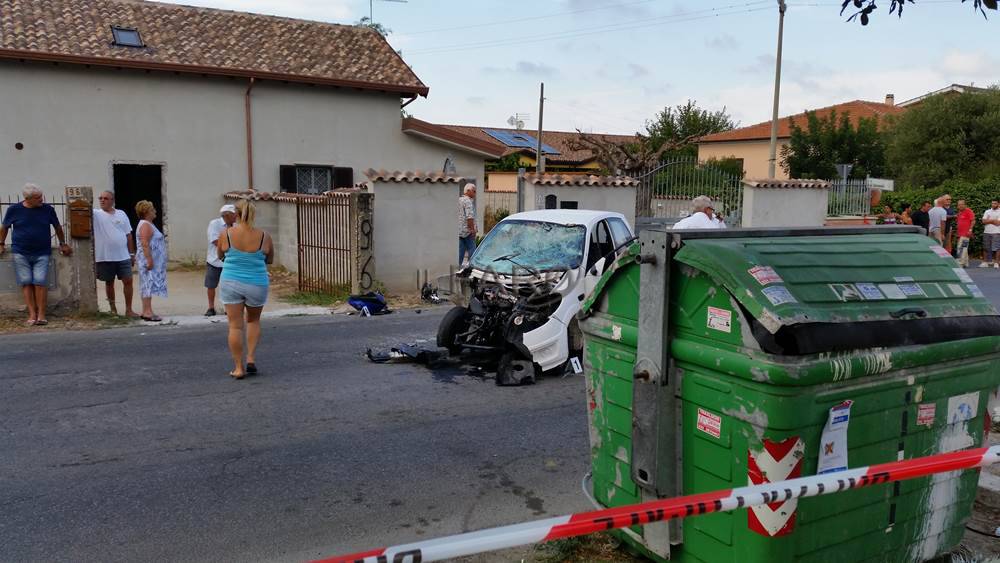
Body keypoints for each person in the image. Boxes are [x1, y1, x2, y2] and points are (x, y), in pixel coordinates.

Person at [217, 199, 273, 380]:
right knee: (253, 321)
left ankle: (238, 368)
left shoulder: (226, 234)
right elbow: (269, 259)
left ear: (236, 214)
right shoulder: (264, 236)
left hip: (231, 281)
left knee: (235, 325)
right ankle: (250, 358)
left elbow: (220, 255)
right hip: (257, 282)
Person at [0, 184, 71, 326]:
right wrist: (1, 244)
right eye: (38, 198)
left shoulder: (48, 210)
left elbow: (57, 227)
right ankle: (32, 314)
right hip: (20, 252)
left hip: (42, 252)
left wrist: (63, 243)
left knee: (40, 282)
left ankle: (42, 315)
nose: (41, 199)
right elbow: (5, 227)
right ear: (28, 198)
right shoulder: (14, 210)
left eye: (41, 196)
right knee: (26, 282)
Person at [93, 191, 138, 317]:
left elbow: (128, 235)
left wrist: (132, 253)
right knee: (109, 283)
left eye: (106, 198)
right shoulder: (95, 214)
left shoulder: (121, 214)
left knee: (128, 281)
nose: (102, 200)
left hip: (123, 255)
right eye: (100, 198)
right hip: (105, 256)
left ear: (112, 200)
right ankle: (113, 310)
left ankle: (129, 310)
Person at [134, 200, 167, 321]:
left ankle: (146, 310)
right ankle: (148, 312)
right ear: (147, 212)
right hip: (147, 261)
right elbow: (144, 243)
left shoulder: (147, 224)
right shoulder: (145, 225)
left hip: (150, 260)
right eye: (153, 210)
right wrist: (149, 260)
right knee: (147, 285)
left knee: (147, 285)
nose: (155, 211)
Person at [205, 204, 237, 316]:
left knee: (228, 286)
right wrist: (231, 247)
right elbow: (214, 241)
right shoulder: (215, 224)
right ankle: (211, 307)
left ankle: (227, 308)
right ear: (227, 215)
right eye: (234, 214)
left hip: (230, 261)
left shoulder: (236, 225)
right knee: (211, 285)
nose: (236, 216)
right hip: (214, 260)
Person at [458, 184, 477, 266]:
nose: (475, 193)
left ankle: (457, 269)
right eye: (474, 191)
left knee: (460, 252)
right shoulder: (468, 201)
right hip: (467, 231)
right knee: (472, 250)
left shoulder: (459, 200)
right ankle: (471, 268)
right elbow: (470, 217)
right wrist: (472, 230)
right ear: (468, 191)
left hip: (459, 231)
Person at [954, 200, 975, 267]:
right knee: (964, 247)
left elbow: (973, 221)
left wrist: (970, 230)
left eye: (961, 204)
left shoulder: (968, 211)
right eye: (959, 205)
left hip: (966, 234)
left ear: (965, 205)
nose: (960, 206)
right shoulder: (959, 213)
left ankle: (961, 263)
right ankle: (965, 263)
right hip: (960, 234)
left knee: (961, 247)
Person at [981, 200, 1000, 269]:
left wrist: (988, 220)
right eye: (992, 203)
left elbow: (998, 223)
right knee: (986, 247)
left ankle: (996, 263)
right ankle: (985, 262)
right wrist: (993, 220)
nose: (993, 205)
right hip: (986, 231)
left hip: (997, 232)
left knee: (997, 248)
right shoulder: (987, 211)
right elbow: (983, 221)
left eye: (995, 203)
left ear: (998, 204)